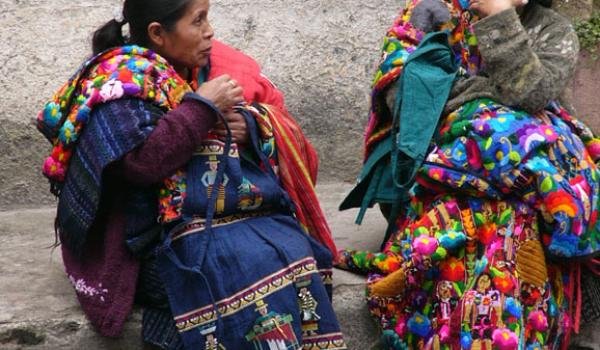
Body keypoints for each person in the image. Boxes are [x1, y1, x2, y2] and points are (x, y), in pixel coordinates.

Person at [36, 0, 346, 349]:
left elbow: (218, 136)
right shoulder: (121, 80)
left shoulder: (177, 71)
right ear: (158, 33)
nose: (209, 30)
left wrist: (246, 125)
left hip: (182, 221)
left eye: (207, 18)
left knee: (294, 244)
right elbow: (141, 165)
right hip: (136, 243)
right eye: (198, 21)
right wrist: (202, 107)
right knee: (239, 264)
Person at [337, 0, 600, 349]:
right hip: (437, 167)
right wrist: (487, 106)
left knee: (510, 208)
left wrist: (499, 19)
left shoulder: (553, 30)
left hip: (521, 176)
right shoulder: (429, 12)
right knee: (505, 157)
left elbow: (531, 94)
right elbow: (406, 99)